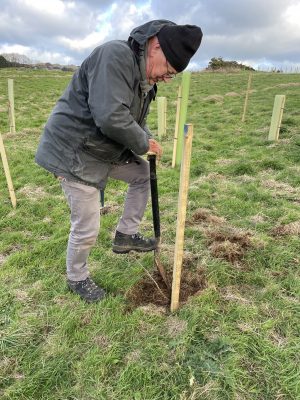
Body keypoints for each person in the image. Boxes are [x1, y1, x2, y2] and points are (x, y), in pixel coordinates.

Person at [35, 19, 203, 302]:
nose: (166, 78)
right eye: (168, 70)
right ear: (156, 47)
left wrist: (145, 139)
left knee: (141, 175)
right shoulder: (114, 56)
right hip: (74, 151)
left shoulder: (145, 81)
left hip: (103, 149)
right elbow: (110, 116)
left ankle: (126, 234)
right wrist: (141, 142)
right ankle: (77, 277)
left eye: (173, 76)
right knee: (87, 225)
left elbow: (138, 120)